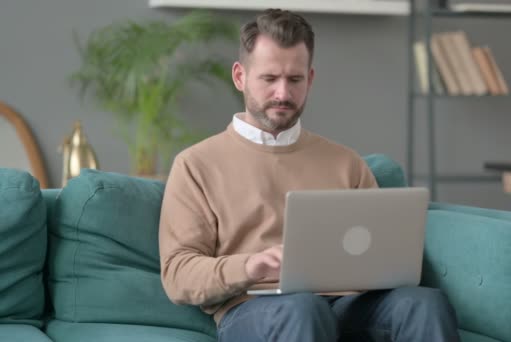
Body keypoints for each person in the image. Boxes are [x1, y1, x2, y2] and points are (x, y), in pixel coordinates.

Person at [159, 8, 460, 342]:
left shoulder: (346, 162)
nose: (283, 94)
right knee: (303, 309)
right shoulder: (196, 164)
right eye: (270, 79)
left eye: (295, 79)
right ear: (240, 76)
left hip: (347, 303)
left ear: (310, 79)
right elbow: (178, 274)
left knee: (424, 303)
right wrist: (251, 266)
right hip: (253, 309)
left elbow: (383, 253)